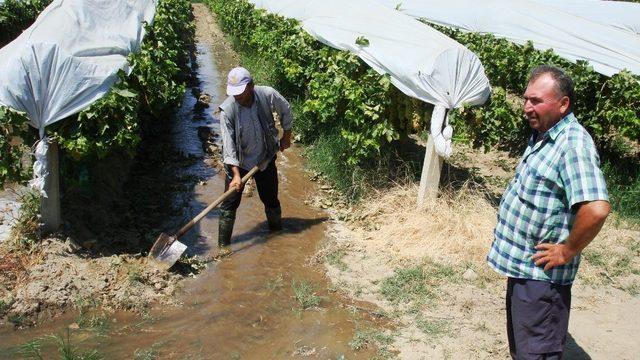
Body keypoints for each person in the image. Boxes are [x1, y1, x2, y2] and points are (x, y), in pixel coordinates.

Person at [486, 65, 610, 359]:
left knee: (536, 354)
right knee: (525, 350)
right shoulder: (546, 133)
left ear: (563, 104)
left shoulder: (572, 145)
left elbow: (596, 208)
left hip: (542, 281)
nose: (527, 107)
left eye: (537, 101)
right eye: (526, 99)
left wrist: (566, 250)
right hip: (525, 271)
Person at [216, 66, 293, 256]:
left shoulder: (267, 95)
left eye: (241, 93)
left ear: (251, 86)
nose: (237, 98)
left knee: (270, 199)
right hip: (238, 162)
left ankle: (276, 235)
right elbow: (228, 145)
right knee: (229, 204)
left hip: (265, 157)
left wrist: (286, 136)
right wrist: (235, 174)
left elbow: (286, 110)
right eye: (234, 94)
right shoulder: (228, 110)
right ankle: (223, 248)